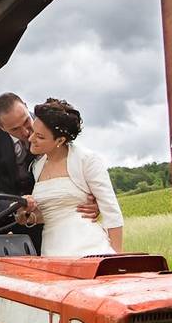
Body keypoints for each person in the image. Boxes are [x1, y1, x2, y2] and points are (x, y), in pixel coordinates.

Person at [0, 93, 97, 259]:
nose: (25, 131)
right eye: (15, 129)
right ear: (0, 127)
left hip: (37, 206)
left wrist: (91, 199)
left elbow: (71, 160)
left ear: (26, 106)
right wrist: (13, 204)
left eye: (26, 121)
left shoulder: (48, 124)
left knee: (44, 253)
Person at [22, 98, 123, 256]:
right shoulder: (38, 166)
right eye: (33, 131)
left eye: (40, 136)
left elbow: (111, 211)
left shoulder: (86, 160)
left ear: (60, 140)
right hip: (51, 250)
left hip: (87, 248)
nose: (31, 138)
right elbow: (52, 211)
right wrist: (26, 214)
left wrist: (117, 258)